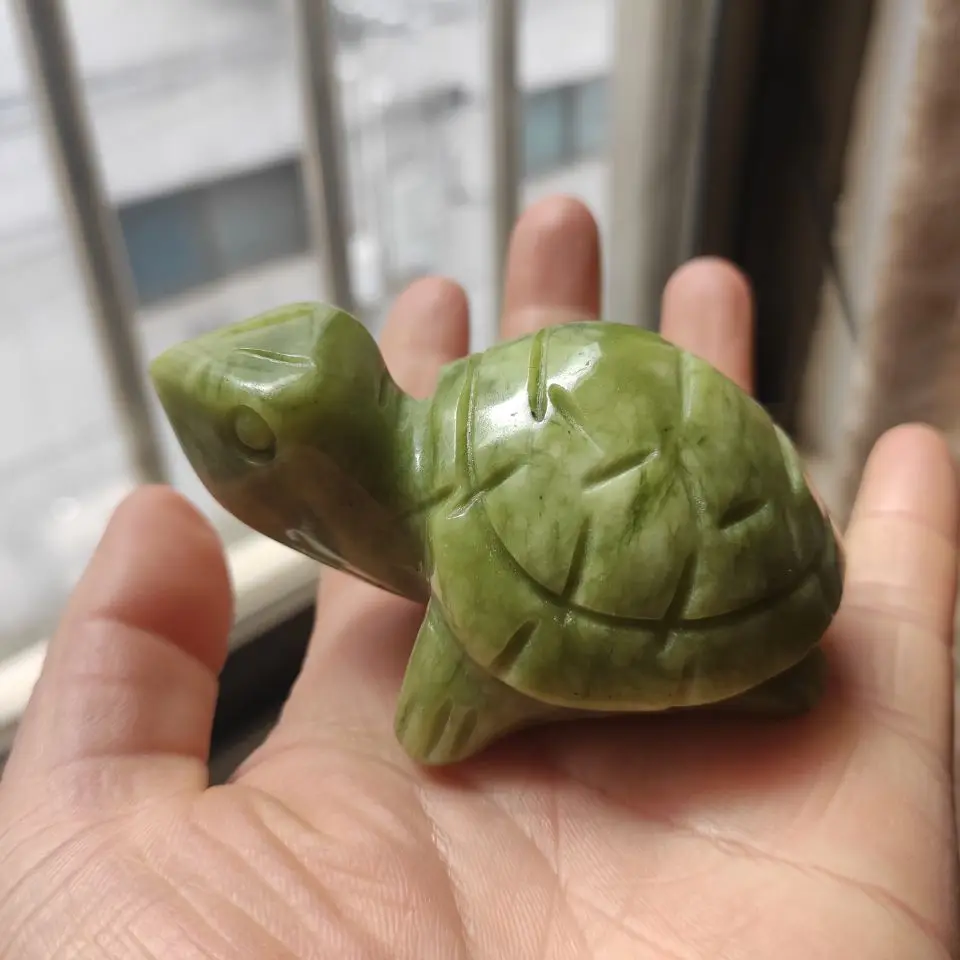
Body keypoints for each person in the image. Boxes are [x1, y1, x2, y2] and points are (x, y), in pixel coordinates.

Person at [0, 197, 956, 959]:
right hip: (725, 493)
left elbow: (436, 725)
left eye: (253, 440)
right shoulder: (472, 392)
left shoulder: (459, 560)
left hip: (743, 575)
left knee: (437, 731)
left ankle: (765, 662)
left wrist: (463, 682)